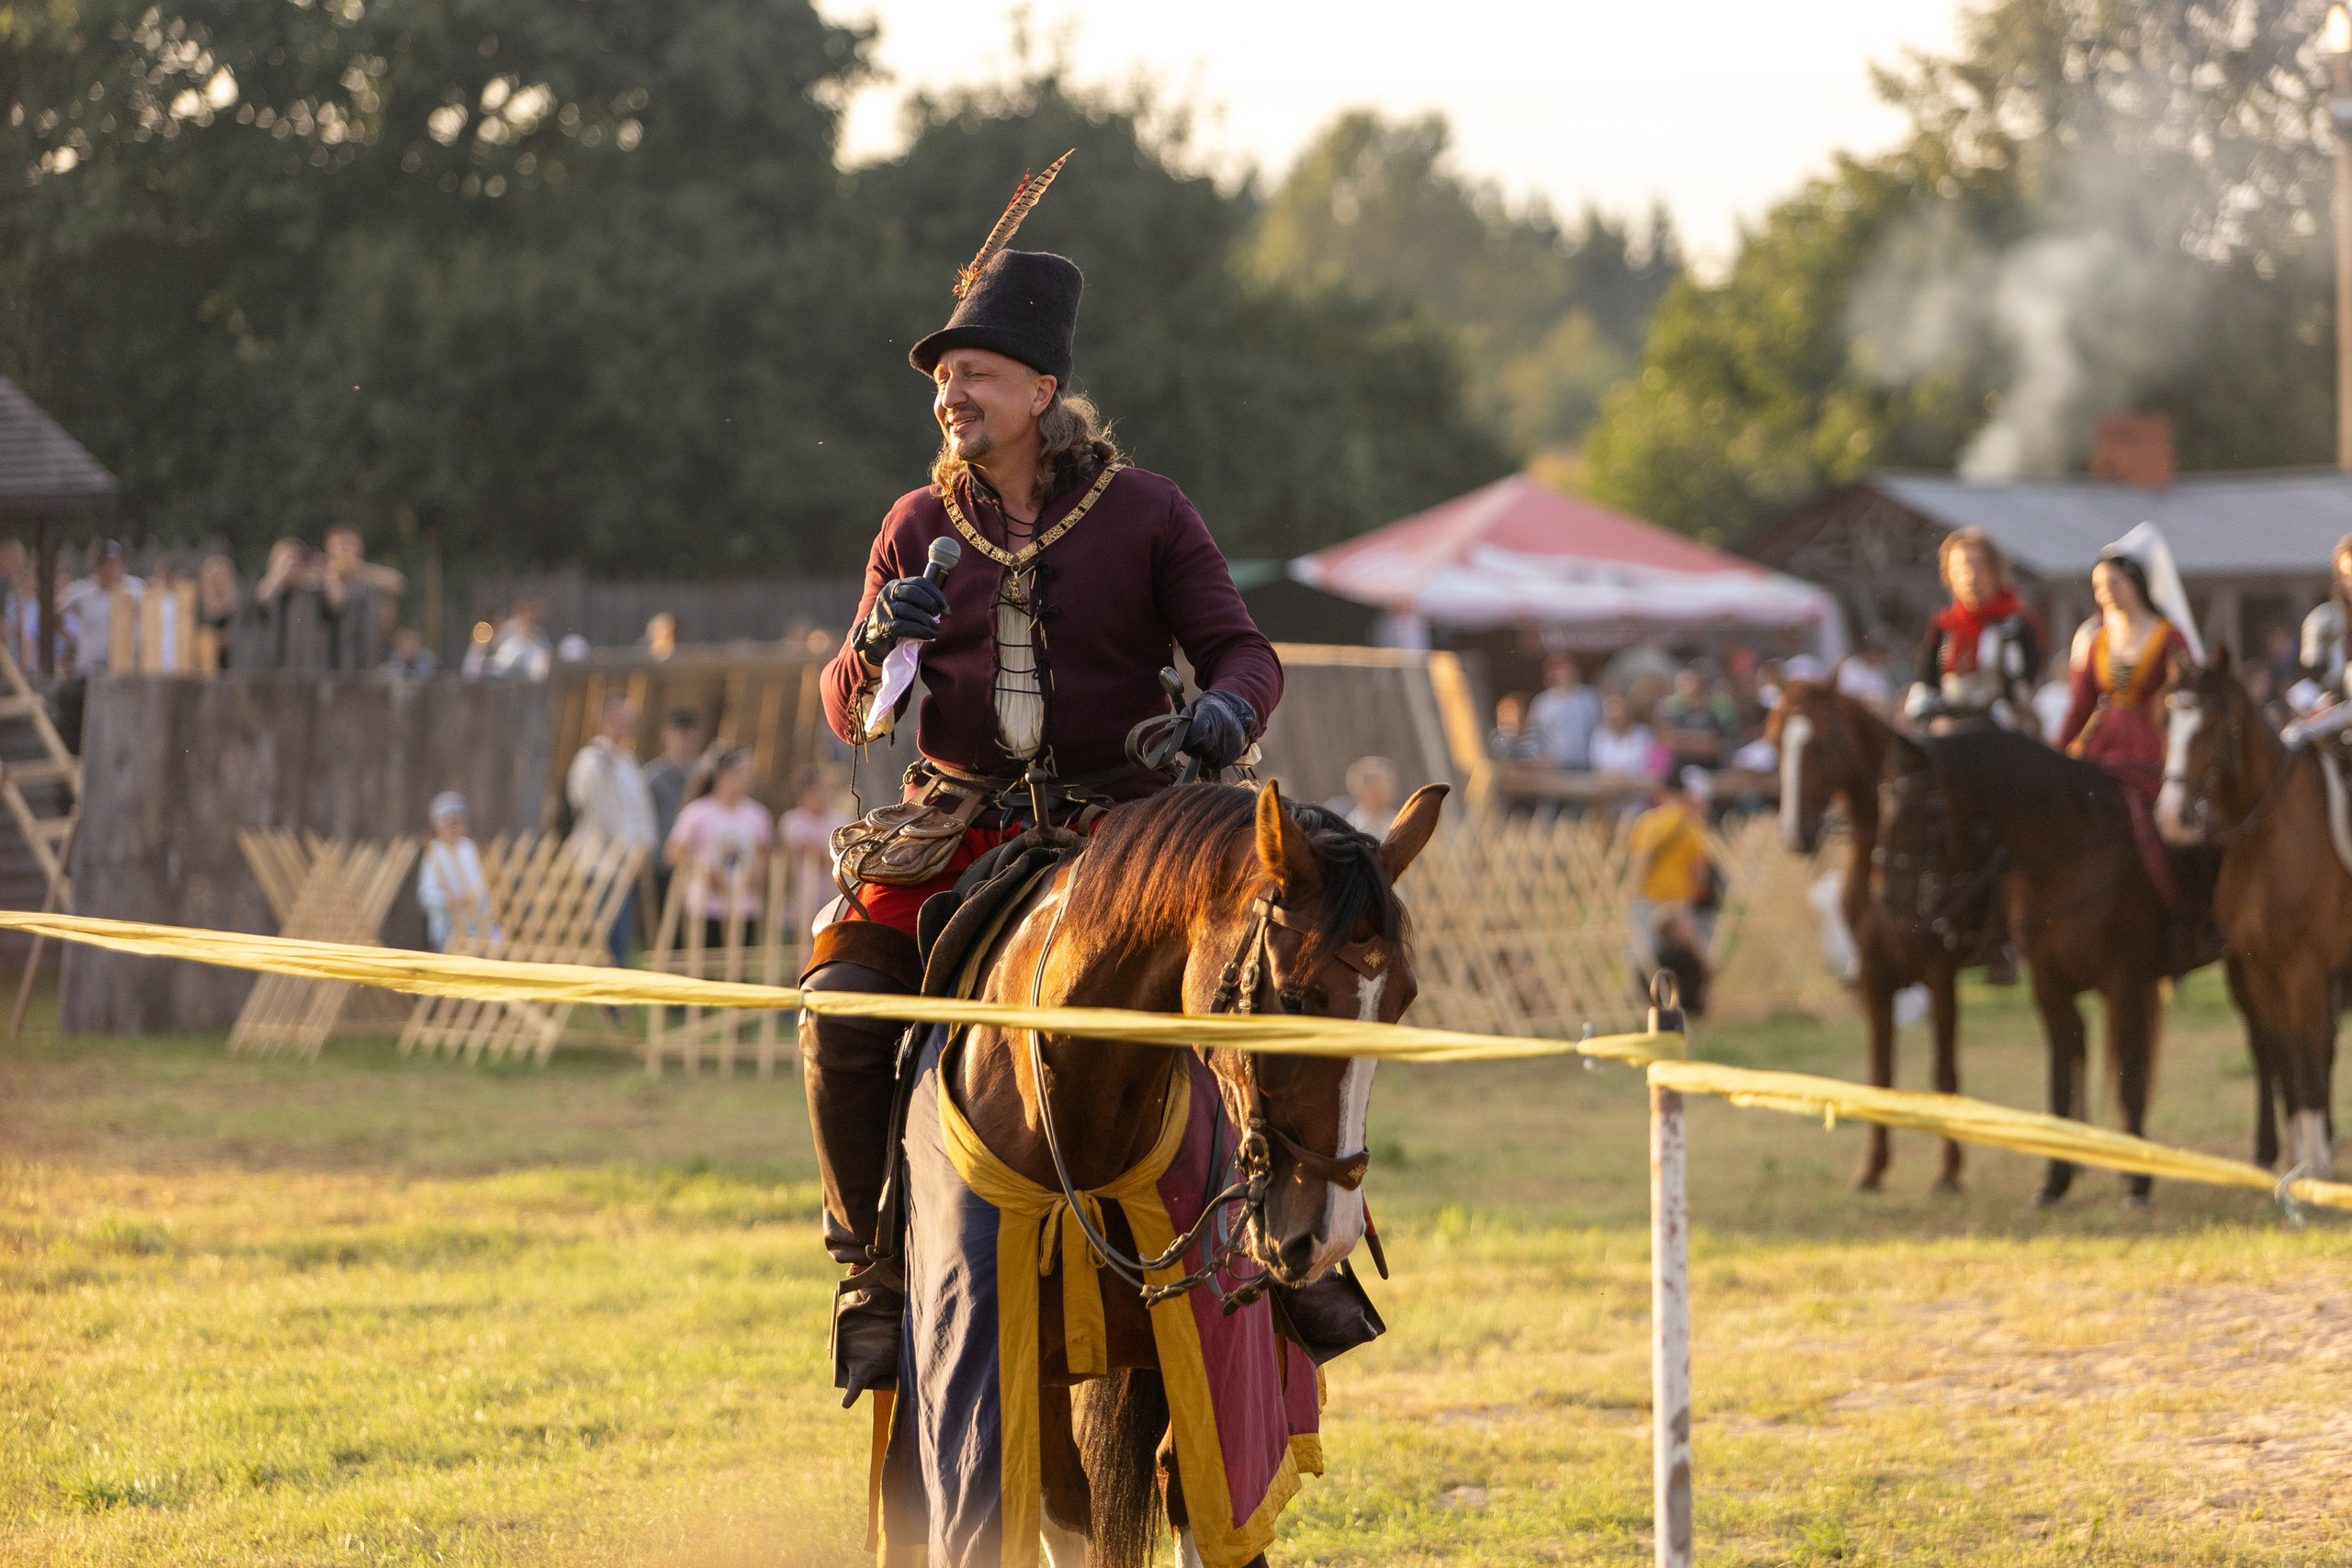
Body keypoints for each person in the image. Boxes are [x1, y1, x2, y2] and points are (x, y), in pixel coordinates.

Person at [808, 189, 1283, 1401]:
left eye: (971, 373)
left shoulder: (1148, 511)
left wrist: (1225, 712)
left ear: (1036, 391)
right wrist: (874, 636)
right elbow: (849, 706)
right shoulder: (919, 522)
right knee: (840, 1000)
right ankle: (869, 1261)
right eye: (941, 380)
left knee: (1270, 974)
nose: (948, 396)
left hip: (1127, 826)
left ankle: (1282, 1250)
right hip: (955, 829)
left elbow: (1243, 651)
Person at [1905, 527, 2043, 732]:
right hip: (1948, 731)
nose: (1970, 576)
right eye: (1960, 567)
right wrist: (1931, 719)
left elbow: (2022, 687)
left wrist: (1983, 724)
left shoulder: (2015, 625)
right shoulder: (1943, 626)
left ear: (1996, 571)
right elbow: (1926, 683)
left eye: (1979, 566)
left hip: (2002, 733)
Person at [565, 694, 657, 962]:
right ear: (605, 720)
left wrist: (645, 848)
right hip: (601, 863)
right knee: (606, 938)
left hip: (629, 864)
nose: (627, 726)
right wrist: (627, 850)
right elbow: (601, 811)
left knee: (624, 939)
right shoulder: (593, 761)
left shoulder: (629, 762)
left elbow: (641, 810)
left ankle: (617, 1001)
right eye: (621, 720)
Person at [663, 750, 774, 951]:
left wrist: (755, 877)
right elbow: (674, 851)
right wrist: (705, 872)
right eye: (742, 772)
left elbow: (764, 854)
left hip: (744, 906)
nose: (748, 778)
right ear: (723, 774)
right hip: (705, 906)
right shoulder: (697, 812)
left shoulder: (757, 815)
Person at [1628, 768, 1717, 1015]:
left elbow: (1640, 859)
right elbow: (1699, 868)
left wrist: (1632, 892)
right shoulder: (1692, 824)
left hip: (1648, 896)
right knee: (1686, 954)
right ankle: (1686, 1003)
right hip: (1679, 898)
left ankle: (1648, 1005)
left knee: (1646, 955)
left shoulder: (1649, 821)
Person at [640, 708, 702, 919]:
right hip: (662, 864)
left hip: (697, 864)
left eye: (689, 735)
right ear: (666, 734)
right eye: (679, 734)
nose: (684, 741)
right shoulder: (652, 777)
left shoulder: (704, 775)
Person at [777, 765, 849, 942]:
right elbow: (810, 850)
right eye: (819, 790)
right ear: (804, 793)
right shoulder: (793, 820)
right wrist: (834, 857)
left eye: (827, 789)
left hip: (836, 904)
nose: (825, 795)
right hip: (803, 905)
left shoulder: (841, 820)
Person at [416, 792, 494, 952]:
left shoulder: (469, 848)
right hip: (447, 930)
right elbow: (425, 895)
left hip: (475, 926)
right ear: (438, 826)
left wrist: (478, 898)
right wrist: (449, 900)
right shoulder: (434, 852)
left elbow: (481, 885)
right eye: (449, 825)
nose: (454, 829)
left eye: (458, 824)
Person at [62, 541, 141, 674]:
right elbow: (56, 612)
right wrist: (70, 639)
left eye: (117, 563)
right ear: (98, 566)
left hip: (120, 669)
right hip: (88, 667)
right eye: (108, 563)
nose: (113, 568)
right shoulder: (84, 591)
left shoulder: (133, 590)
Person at [1528, 654, 1602, 770]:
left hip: (1587, 766)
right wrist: (1541, 759)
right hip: (1555, 768)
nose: (1564, 673)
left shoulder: (1590, 697)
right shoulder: (1542, 702)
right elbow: (1534, 737)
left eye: (1567, 668)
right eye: (1559, 670)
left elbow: (1601, 730)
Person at [1655, 667, 1724, 766]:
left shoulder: (1713, 714)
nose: (1687, 689)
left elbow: (1713, 747)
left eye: (1690, 683)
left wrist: (1684, 740)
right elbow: (1668, 742)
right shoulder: (1668, 711)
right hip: (1676, 769)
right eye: (1682, 684)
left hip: (1710, 767)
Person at [1589, 691, 1659, 781]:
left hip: (1636, 789)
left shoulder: (1643, 734)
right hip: (1606, 789)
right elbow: (1596, 764)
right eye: (1609, 709)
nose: (1613, 714)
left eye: (1617, 708)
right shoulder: (1599, 733)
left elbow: (1649, 766)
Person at [1332, 755, 1401, 837]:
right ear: (1368, 788)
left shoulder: (1397, 819)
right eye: (1386, 781)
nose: (1392, 787)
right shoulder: (1354, 828)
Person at [486, 599, 551, 680]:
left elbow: (546, 652)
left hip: (529, 672)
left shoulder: (537, 631)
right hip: (507, 667)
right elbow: (497, 648)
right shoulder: (508, 627)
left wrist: (531, 638)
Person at [1488, 691, 1543, 761]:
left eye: (1511, 713)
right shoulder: (1497, 738)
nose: (1506, 718)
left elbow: (1544, 761)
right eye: (1502, 713)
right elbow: (1501, 764)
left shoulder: (1537, 734)